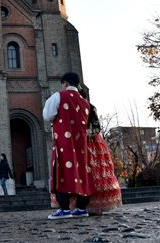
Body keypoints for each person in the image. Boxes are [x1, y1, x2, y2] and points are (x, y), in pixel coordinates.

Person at [43, 72, 95, 219]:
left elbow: (47, 115)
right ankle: (81, 207)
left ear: (65, 83)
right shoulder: (85, 102)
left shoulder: (59, 96)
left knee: (63, 171)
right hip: (82, 144)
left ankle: (64, 208)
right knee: (82, 171)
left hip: (64, 142)